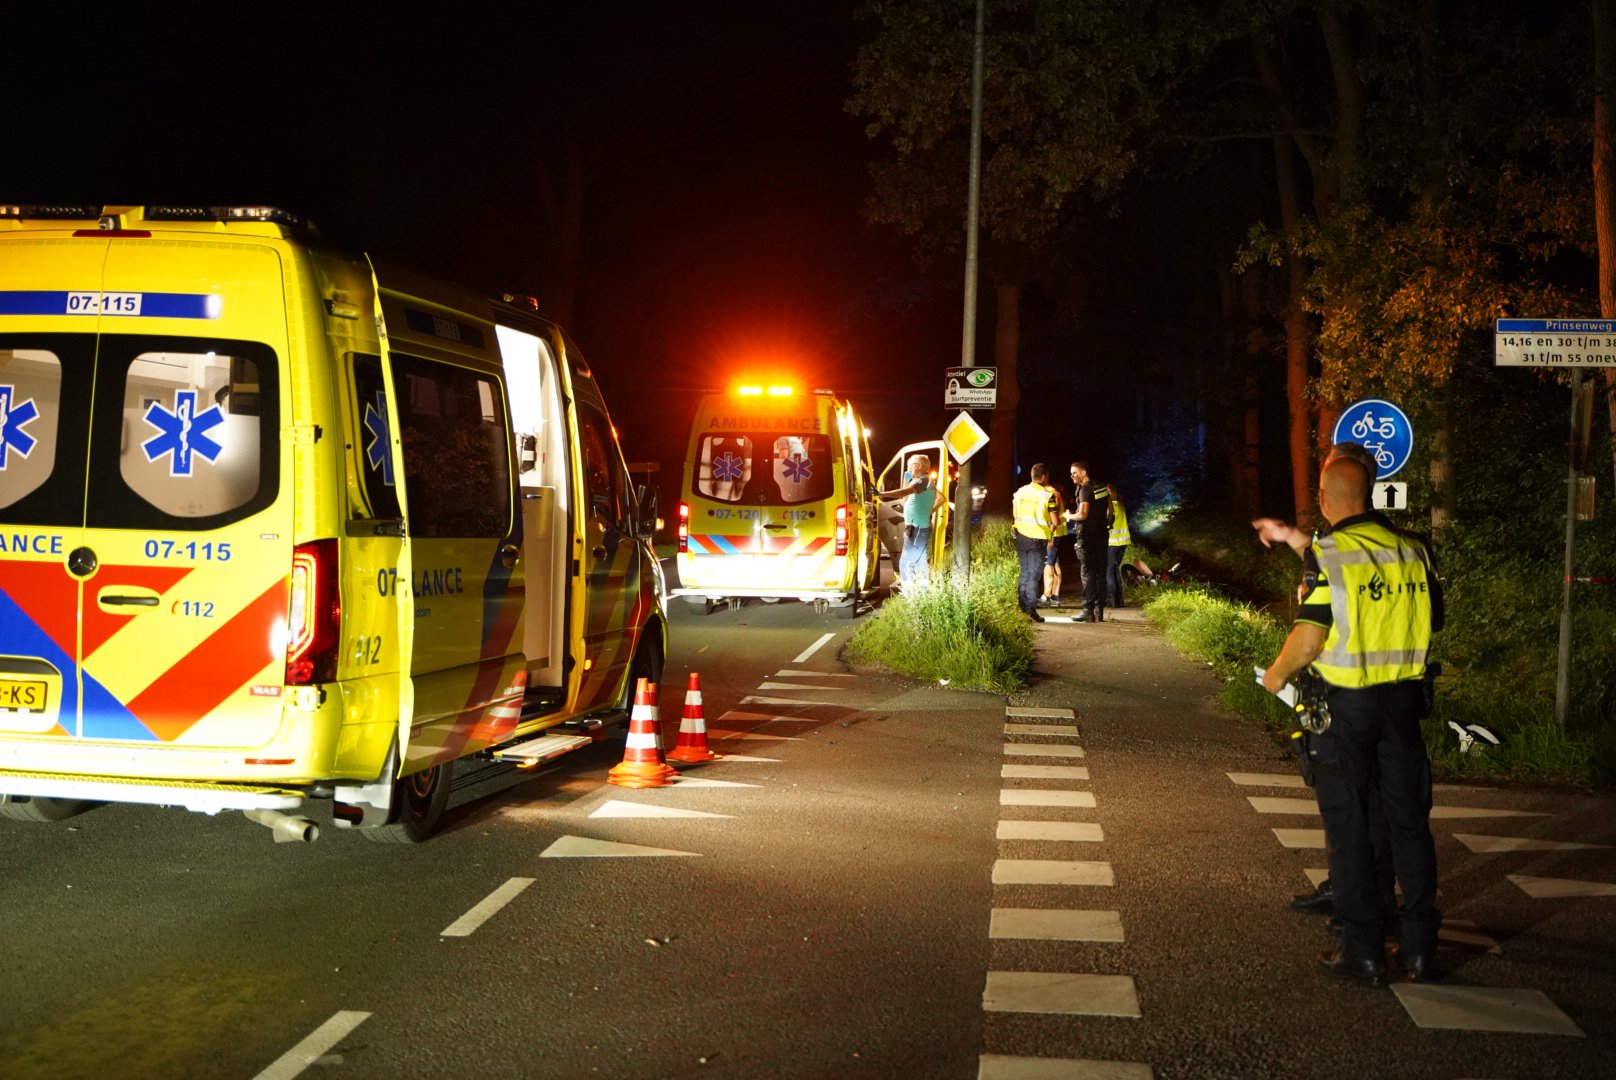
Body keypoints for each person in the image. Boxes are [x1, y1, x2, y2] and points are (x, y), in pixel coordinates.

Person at [1261, 458, 1443, 988]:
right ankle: (1420, 949)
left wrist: (1276, 675)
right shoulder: (1413, 549)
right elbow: (1436, 618)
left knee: (1350, 824)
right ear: (1370, 494)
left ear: (1324, 496)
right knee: (1408, 824)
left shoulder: (1330, 554)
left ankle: (1363, 949)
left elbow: (1312, 634)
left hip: (1347, 709)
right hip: (1405, 704)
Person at [1253, 440, 1382, 916]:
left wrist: (1279, 673)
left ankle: (1358, 907)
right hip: (1356, 689)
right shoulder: (1334, 545)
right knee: (1355, 805)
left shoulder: (1344, 549)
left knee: (1351, 805)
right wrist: (1288, 535)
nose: (1322, 490)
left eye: (1329, 479)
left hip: (1349, 690)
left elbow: (1314, 631)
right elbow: (1322, 554)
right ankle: (1352, 889)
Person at [876, 453, 937, 591]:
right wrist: (907, 479)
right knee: (917, 560)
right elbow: (906, 499)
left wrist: (881, 494)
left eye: (911, 466)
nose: (909, 469)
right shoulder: (921, 481)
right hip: (917, 527)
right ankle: (920, 591)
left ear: (920, 466)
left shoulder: (923, 480)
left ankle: (912, 592)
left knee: (907, 561)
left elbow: (904, 492)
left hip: (917, 528)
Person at [1012, 463, 1060, 623]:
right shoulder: (1048, 495)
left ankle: (1021, 606)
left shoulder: (1019, 492)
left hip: (1020, 537)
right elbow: (1055, 520)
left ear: (1032, 475)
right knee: (1034, 574)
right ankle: (1031, 609)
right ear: (1044, 476)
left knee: (1024, 572)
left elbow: (1015, 514)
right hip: (1037, 539)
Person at [1066, 461, 1111, 622]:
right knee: (1100, 573)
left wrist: (1069, 516)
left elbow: (1083, 514)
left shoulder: (1085, 489)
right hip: (1102, 535)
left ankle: (1087, 611)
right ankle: (1099, 611)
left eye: (1074, 473)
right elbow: (1110, 509)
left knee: (1087, 573)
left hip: (1088, 537)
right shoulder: (1100, 488)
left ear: (1084, 472)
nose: (1071, 476)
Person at [1040, 482, 1067, 606]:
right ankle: (1055, 597)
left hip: (1053, 533)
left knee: (1049, 564)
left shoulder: (1050, 494)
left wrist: (1049, 536)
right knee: (1055, 563)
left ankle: (1046, 596)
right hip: (1058, 533)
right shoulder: (1056, 493)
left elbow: (1053, 517)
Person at [1104, 483, 1130, 608]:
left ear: (1112, 493)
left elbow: (1107, 525)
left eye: (1107, 492)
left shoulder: (1110, 508)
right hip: (1123, 543)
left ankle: (1112, 600)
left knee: (1108, 571)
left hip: (1112, 543)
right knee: (1115, 570)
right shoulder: (1121, 505)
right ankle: (1119, 600)